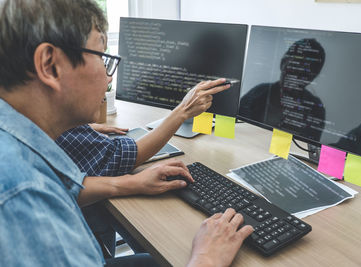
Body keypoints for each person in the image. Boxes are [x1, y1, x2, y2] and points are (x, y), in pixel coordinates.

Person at [0, 1, 254, 266]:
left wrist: (130, 183)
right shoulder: (23, 195)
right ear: (49, 65)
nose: (108, 78)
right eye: (101, 56)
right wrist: (207, 259)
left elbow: (63, 188)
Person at [239, 38, 326, 142]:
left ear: (313, 77)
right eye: (292, 69)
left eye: (303, 73)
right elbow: (239, 128)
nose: (295, 77)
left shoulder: (315, 109)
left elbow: (310, 148)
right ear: (282, 63)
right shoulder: (258, 93)